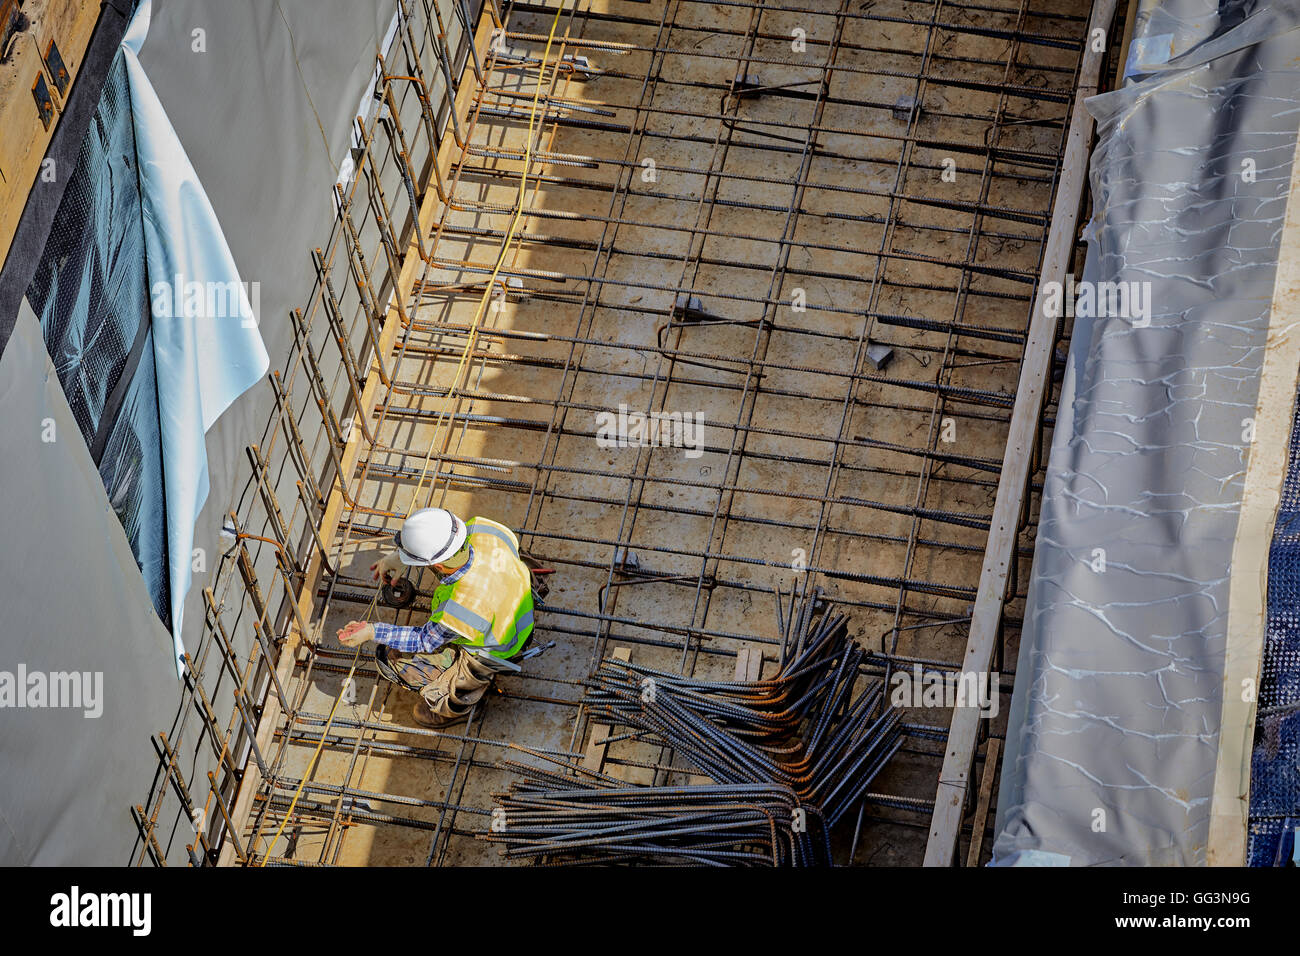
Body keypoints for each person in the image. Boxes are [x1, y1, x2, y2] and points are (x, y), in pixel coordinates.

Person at [336, 508, 534, 728]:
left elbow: (424, 641)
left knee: (390, 659)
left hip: (499, 649)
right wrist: (402, 559)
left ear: (437, 565)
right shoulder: (482, 528)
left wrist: (372, 631)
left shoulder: (463, 608)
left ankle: (460, 705)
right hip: (517, 606)